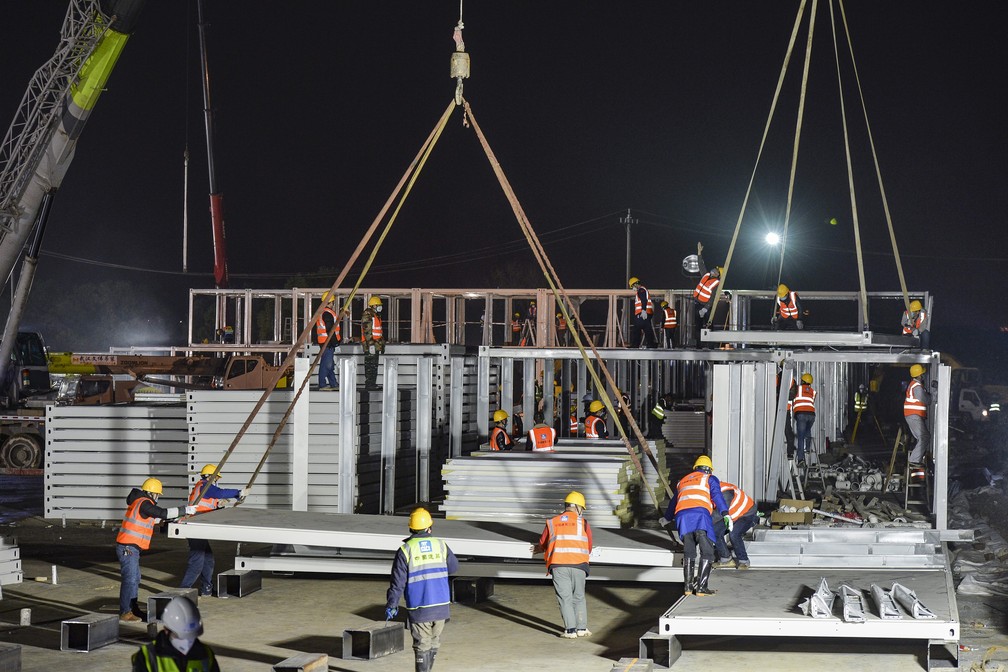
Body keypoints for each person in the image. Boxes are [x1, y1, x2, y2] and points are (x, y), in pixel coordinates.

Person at [386, 508, 458, 672]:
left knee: (422, 644)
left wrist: (392, 604)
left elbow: (398, 583)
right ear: (429, 528)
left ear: (411, 528)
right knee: (433, 641)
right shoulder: (440, 545)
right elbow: (454, 567)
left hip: (420, 608)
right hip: (441, 606)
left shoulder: (405, 550)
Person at [117, 478, 196, 622]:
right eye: (157, 494)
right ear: (152, 493)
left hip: (131, 547)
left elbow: (157, 520)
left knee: (135, 579)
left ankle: (132, 609)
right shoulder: (144, 503)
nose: (158, 497)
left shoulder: (141, 503)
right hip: (128, 547)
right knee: (130, 579)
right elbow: (162, 513)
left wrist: (176, 519)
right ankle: (125, 612)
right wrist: (185, 509)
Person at [664, 455, 730, 596]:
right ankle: (701, 588)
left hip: (682, 517)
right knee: (707, 552)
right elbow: (717, 496)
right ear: (709, 469)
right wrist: (725, 513)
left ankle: (687, 588)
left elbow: (673, 502)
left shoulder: (682, 481)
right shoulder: (709, 478)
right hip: (700, 515)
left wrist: (666, 518)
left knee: (689, 552)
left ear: (696, 468)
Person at [179, 464, 245, 597]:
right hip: (195, 526)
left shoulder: (205, 488)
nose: (216, 481)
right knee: (197, 560)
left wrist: (219, 505)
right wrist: (238, 493)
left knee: (208, 559)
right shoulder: (204, 485)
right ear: (210, 477)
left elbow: (208, 504)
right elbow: (219, 493)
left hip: (199, 526)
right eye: (215, 478)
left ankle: (206, 588)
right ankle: (182, 590)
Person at [534, 491, 593, 638]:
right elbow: (589, 546)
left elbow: (543, 542)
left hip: (559, 565)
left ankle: (570, 631)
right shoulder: (583, 523)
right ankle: (582, 628)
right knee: (579, 597)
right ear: (578, 507)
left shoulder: (553, 522)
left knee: (565, 598)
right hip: (579, 564)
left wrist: (539, 549)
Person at [131, 595, 220, 672]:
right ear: (166, 630)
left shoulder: (206, 654)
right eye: (181, 636)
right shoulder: (147, 657)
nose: (187, 642)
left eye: (191, 636)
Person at [712, 480, 757, 569]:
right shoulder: (709, 491)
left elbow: (718, 514)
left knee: (734, 534)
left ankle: (743, 561)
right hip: (731, 514)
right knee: (714, 532)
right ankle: (726, 559)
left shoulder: (725, 492)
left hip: (746, 513)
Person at [904, 364, 931, 465]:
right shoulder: (917, 387)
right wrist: (934, 394)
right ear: (919, 375)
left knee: (923, 437)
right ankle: (914, 460)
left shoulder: (915, 385)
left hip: (913, 415)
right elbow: (926, 400)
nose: (923, 375)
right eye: (922, 374)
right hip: (914, 415)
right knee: (924, 437)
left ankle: (915, 458)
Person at [316, 291, 341, 390]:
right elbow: (330, 329)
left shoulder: (323, 312)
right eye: (333, 302)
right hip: (328, 342)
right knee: (327, 364)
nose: (333, 304)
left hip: (325, 341)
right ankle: (322, 384)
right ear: (330, 302)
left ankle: (333, 383)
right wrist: (335, 343)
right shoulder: (327, 313)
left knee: (329, 364)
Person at [691, 266, 721, 347]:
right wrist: (699, 255)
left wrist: (705, 308)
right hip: (698, 304)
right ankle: (699, 345)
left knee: (709, 325)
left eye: (716, 271)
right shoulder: (706, 275)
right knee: (698, 326)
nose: (713, 271)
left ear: (717, 274)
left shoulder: (716, 283)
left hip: (706, 306)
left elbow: (712, 297)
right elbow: (701, 266)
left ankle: (710, 345)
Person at [792, 372, 817, 466]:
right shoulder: (813, 391)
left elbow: (791, 395)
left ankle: (801, 459)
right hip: (811, 415)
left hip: (801, 414)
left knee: (801, 436)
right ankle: (808, 448)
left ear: (802, 381)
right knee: (807, 430)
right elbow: (811, 401)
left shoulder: (797, 389)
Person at [361, 295, 385, 390]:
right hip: (371, 345)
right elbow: (367, 331)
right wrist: (371, 344)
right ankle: (370, 384)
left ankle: (372, 384)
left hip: (376, 345)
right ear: (374, 305)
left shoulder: (375, 315)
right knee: (370, 365)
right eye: (378, 305)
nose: (380, 306)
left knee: (374, 365)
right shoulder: (368, 315)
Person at [628, 277, 655, 348]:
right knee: (647, 328)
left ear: (636, 284)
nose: (633, 288)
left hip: (642, 313)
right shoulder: (644, 290)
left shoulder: (641, 290)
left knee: (636, 329)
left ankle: (635, 345)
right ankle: (651, 344)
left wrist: (643, 310)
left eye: (632, 286)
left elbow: (644, 300)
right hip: (646, 313)